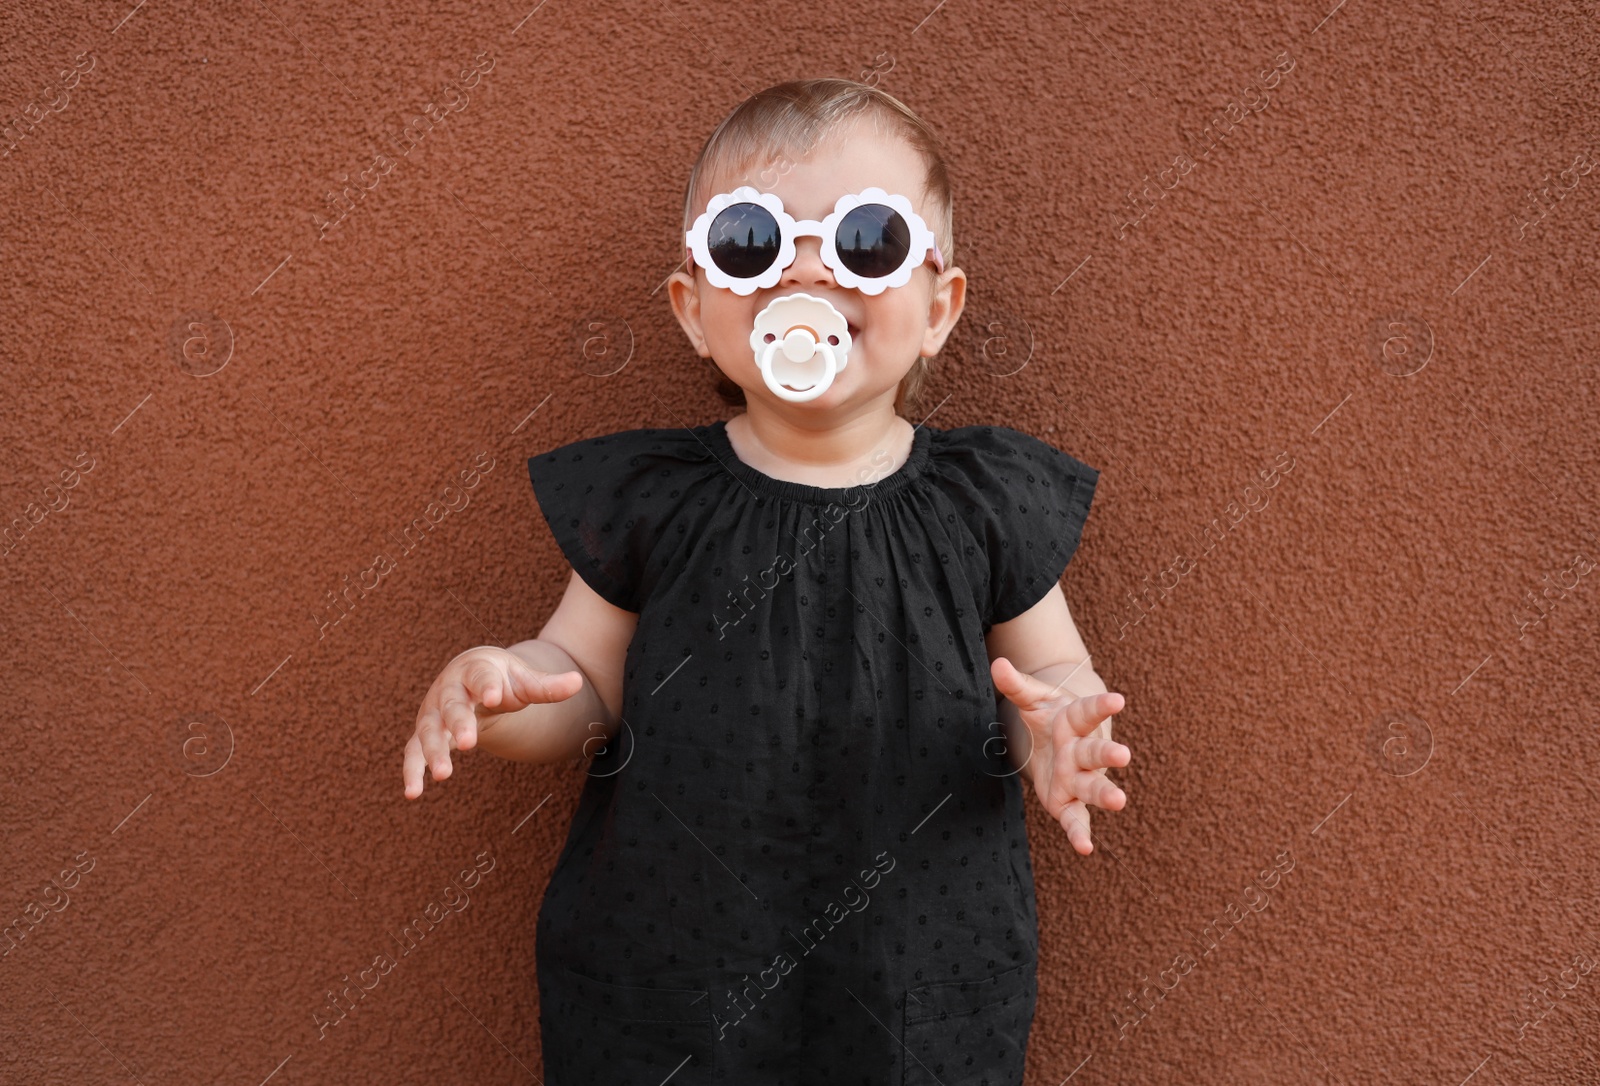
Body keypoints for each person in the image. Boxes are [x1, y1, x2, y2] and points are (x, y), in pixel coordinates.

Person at [401, 77, 1131, 1085]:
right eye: (749, 242)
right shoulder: (654, 499)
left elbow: (1051, 679)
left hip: (916, 973)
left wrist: (1057, 731)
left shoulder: (983, 503)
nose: (802, 271)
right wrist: (503, 692)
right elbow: (579, 682)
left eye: (864, 243)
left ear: (938, 307)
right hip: (670, 978)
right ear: (695, 310)